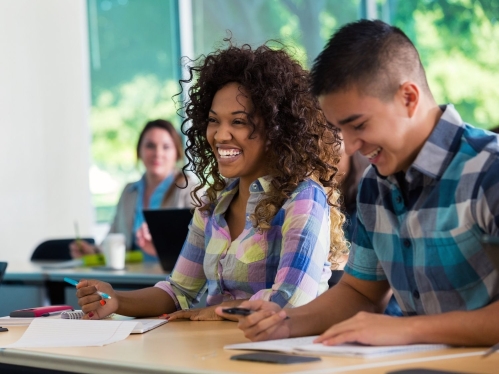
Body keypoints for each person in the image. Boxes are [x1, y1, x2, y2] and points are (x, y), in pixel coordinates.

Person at [220, 20, 499, 347]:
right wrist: (284, 322)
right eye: (340, 130)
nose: (350, 147)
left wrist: (408, 330)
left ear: (408, 98)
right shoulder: (374, 187)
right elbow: (360, 292)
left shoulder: (489, 171)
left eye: (358, 125)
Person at [74, 41, 348, 321]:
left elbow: (290, 301)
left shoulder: (303, 198)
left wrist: (216, 311)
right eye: (214, 121)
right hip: (215, 351)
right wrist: (116, 299)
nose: (220, 135)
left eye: (238, 122)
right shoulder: (213, 205)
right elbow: (178, 291)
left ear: (277, 129)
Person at [70, 119, 193, 261]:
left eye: (166, 147)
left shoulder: (189, 189)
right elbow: (113, 237)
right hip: (130, 276)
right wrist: (93, 251)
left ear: (177, 153)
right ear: (139, 151)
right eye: (150, 146)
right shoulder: (129, 191)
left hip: (171, 279)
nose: (157, 153)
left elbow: (200, 247)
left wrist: (161, 249)